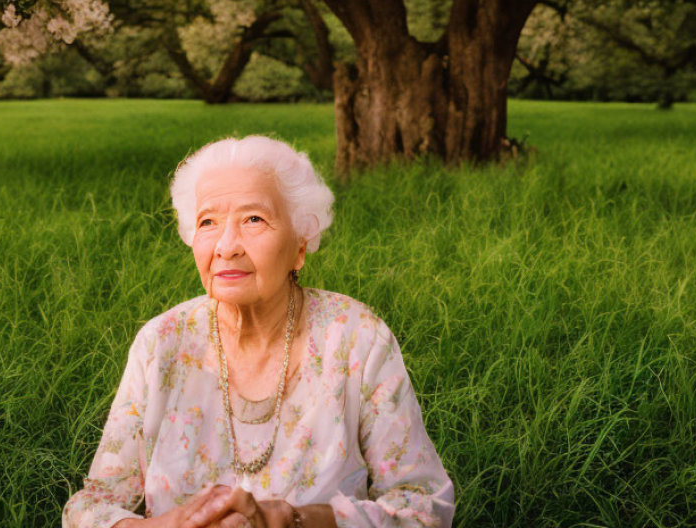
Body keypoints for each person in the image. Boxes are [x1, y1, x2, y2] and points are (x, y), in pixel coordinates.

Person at [63, 136, 454, 528]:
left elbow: (423, 507)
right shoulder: (161, 342)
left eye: (253, 219)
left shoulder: (356, 338)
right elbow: (89, 508)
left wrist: (293, 520)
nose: (227, 245)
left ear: (300, 244)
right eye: (208, 222)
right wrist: (169, 525)